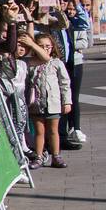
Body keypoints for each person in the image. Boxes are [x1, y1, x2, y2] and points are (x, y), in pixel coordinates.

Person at [26, 31, 72, 169]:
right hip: (36, 103)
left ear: (52, 47)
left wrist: (67, 101)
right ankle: (39, 156)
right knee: (39, 131)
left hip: (53, 102)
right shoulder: (31, 63)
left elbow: (65, 83)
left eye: (48, 46)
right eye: (41, 46)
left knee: (53, 130)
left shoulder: (56, 63)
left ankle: (56, 156)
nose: (45, 49)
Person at [62, 0, 91, 149]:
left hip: (77, 63)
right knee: (65, 98)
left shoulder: (76, 23)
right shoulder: (61, 22)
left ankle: (76, 128)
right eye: (70, 9)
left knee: (74, 96)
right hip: (66, 62)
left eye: (73, 9)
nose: (71, 11)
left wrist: (79, 6)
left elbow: (84, 42)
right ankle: (66, 130)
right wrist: (73, 46)